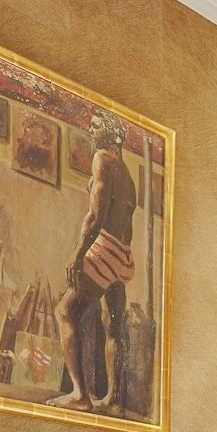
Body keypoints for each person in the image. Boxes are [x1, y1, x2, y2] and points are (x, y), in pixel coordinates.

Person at [48, 117, 139, 411]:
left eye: (97, 124)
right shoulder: (127, 173)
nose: (91, 128)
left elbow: (95, 216)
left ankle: (80, 395)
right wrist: (118, 255)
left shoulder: (103, 159)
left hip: (105, 246)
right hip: (122, 253)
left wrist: (78, 253)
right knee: (113, 325)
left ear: (111, 133)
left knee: (65, 312)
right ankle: (113, 399)